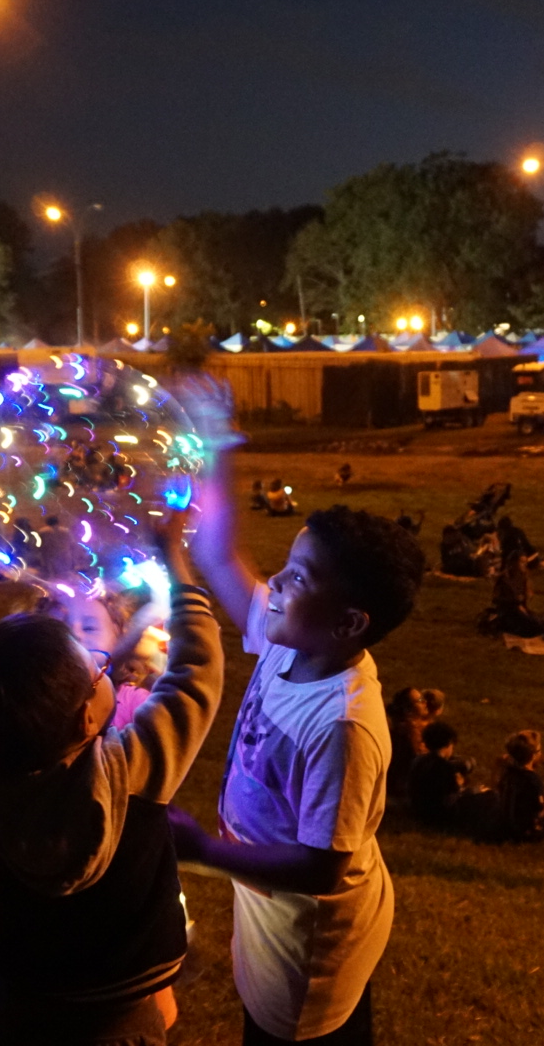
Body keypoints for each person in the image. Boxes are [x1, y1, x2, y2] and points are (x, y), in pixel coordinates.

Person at [170, 377, 425, 1046]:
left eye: (299, 577)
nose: (277, 583)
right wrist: (216, 436)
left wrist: (202, 850)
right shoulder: (289, 640)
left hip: (308, 954)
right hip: (272, 918)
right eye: (286, 566)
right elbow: (220, 553)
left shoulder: (343, 726)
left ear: (348, 622)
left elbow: (320, 868)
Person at [0, 517, 223, 1045]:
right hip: (123, 1011)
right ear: (88, 720)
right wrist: (177, 564)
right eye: (96, 672)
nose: (104, 667)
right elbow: (197, 676)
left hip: (33, 1002)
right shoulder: (128, 771)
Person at [408, 722, 474, 829]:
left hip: (417, 808)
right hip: (437, 815)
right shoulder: (443, 766)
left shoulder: (418, 760)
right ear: (448, 743)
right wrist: (461, 783)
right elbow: (453, 792)